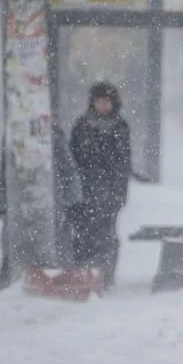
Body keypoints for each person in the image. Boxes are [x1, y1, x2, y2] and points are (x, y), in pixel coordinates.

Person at [0, 126, 83, 290]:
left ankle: (52, 281)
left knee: (54, 243)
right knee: (16, 242)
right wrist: (2, 204)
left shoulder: (55, 134)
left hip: (52, 200)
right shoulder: (13, 133)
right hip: (20, 199)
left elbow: (68, 168)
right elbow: (4, 171)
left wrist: (72, 201)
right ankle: (14, 281)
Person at [69, 81, 132, 289]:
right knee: (83, 235)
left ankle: (104, 276)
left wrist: (119, 193)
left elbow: (123, 163)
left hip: (109, 193)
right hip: (85, 192)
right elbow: (74, 159)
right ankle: (83, 275)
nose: (103, 105)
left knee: (106, 235)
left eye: (107, 101)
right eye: (99, 101)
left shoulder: (120, 128)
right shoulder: (81, 126)